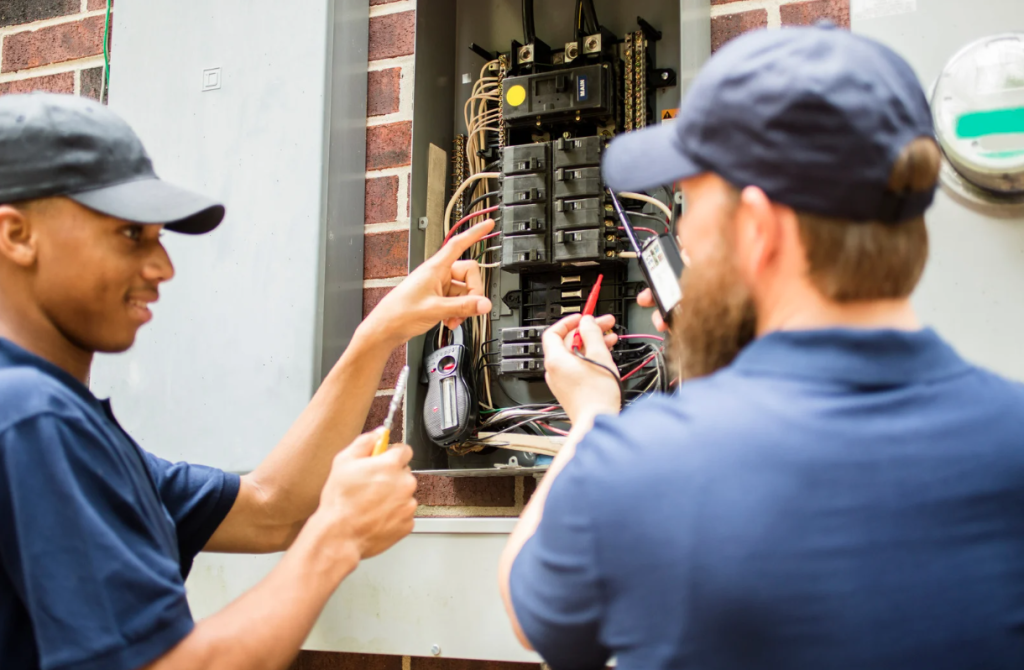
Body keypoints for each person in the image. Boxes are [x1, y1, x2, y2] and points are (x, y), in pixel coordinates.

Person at [500, 25, 1024, 670]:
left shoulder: (641, 466)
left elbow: (529, 612)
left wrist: (591, 415)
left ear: (759, 228)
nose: (682, 233)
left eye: (691, 205)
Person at [0, 93, 494, 670]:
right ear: (16, 235)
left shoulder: (65, 425)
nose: (163, 267)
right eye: (131, 235)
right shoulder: (30, 416)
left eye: (160, 237)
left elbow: (272, 509)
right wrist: (334, 539)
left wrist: (377, 335)